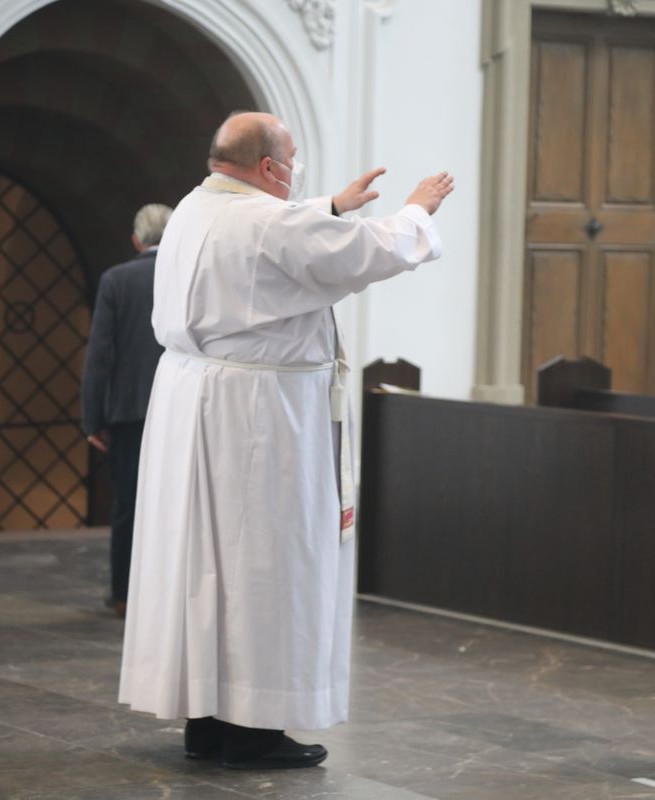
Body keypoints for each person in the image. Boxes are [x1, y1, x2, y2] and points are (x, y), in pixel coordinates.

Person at [117, 111, 454, 770]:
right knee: (265, 567)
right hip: (260, 420)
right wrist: (418, 209)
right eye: (291, 158)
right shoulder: (273, 223)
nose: (296, 169)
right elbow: (367, 252)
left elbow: (276, 245)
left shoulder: (192, 207)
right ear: (270, 167)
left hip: (196, 402)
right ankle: (255, 728)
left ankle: (208, 721)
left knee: (205, 570)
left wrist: (328, 207)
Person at [81, 203, 172, 618]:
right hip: (178, 408)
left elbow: (101, 354)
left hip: (130, 411)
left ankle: (124, 593)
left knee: (129, 506)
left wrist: (93, 418)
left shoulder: (116, 280)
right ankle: (170, 593)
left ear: (137, 240)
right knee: (177, 503)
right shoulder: (186, 276)